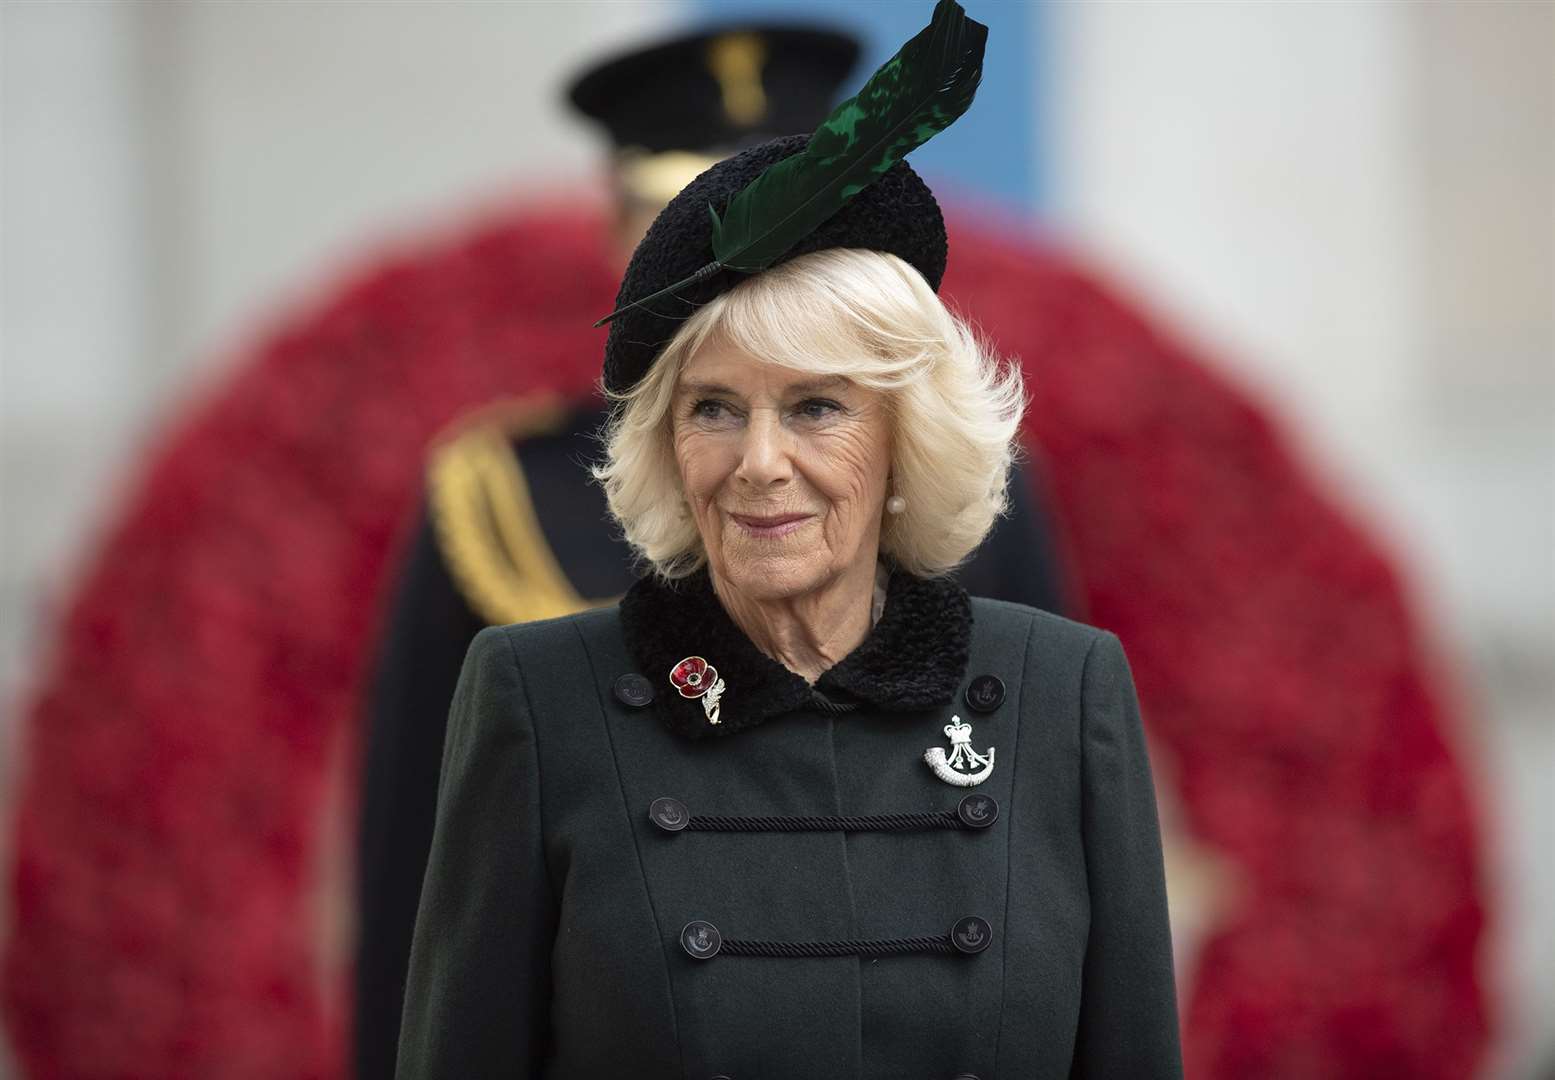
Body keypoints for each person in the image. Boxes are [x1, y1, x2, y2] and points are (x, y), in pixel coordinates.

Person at [396, 6, 1182, 1075]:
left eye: (816, 407)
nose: (759, 461)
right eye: (713, 408)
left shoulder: (1063, 695)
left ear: (905, 436)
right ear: (666, 442)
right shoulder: (538, 702)